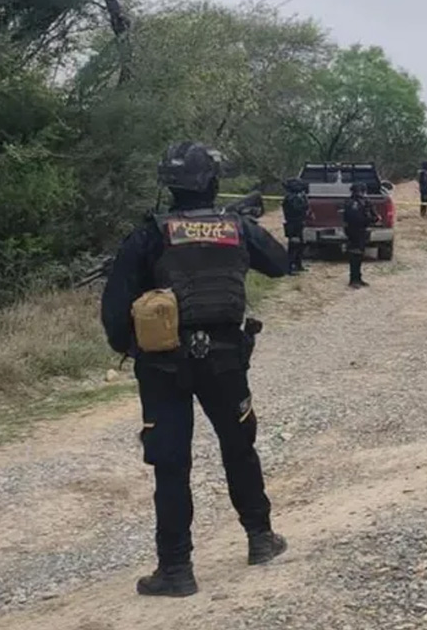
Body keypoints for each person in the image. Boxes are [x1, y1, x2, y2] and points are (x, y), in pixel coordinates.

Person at [100, 141, 290, 598]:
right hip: (225, 358)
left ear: (168, 184)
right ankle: (260, 538)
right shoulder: (237, 228)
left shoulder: (149, 234)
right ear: (213, 182)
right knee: (239, 447)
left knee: (171, 464)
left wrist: (136, 348)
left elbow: (113, 310)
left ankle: (176, 570)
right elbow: (281, 265)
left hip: (162, 364)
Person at [343, 181, 378, 288]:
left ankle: (357, 278)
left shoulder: (349, 202)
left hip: (354, 230)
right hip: (358, 230)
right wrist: (372, 219)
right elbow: (370, 217)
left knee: (357, 255)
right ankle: (354, 279)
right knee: (356, 255)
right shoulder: (360, 202)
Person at [281, 178, 311, 273]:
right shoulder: (291, 198)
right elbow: (297, 208)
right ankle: (290, 267)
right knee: (293, 245)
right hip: (293, 223)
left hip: (298, 223)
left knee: (300, 244)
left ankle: (298, 264)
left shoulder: (298, 196)